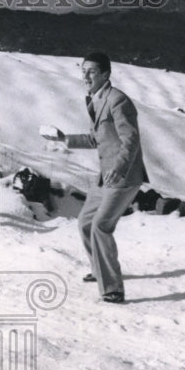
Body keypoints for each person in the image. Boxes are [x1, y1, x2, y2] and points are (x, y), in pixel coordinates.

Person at [42, 53, 147, 304]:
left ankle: (112, 288)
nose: (85, 76)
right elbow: (95, 138)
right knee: (85, 222)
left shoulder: (118, 101)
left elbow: (131, 140)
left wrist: (119, 168)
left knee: (101, 226)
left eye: (91, 71)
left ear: (105, 75)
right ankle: (100, 268)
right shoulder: (96, 99)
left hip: (124, 176)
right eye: (83, 70)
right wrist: (64, 139)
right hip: (106, 175)